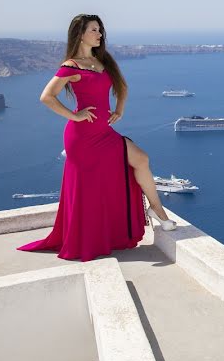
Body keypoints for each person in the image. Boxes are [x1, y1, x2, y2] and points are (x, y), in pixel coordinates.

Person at [18, 14, 176, 262]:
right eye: (94, 29)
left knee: (141, 159)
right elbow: (46, 96)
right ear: (80, 33)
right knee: (89, 189)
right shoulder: (71, 66)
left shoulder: (103, 60)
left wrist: (119, 110)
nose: (100, 34)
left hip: (104, 132)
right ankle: (92, 239)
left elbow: (122, 87)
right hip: (82, 138)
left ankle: (157, 211)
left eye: (100, 30)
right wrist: (74, 115)